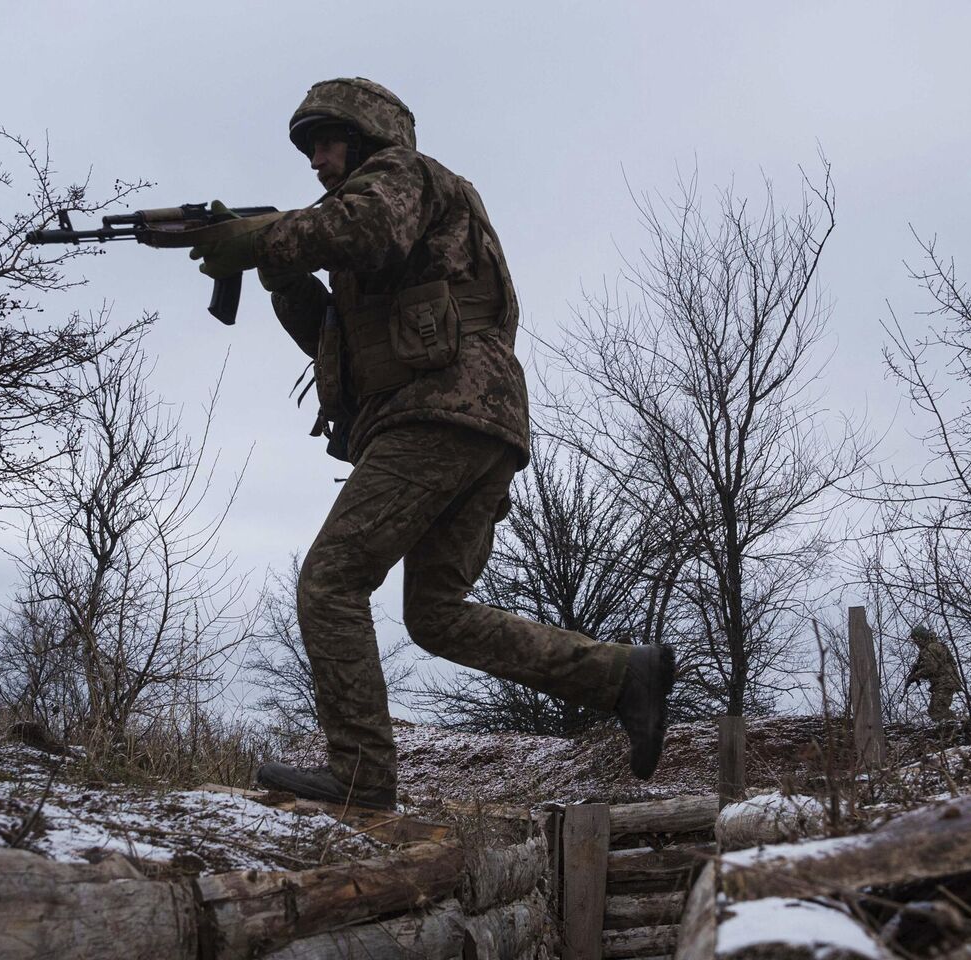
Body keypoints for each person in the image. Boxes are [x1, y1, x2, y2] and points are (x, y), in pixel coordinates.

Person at [187, 78, 675, 810]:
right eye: (310, 148)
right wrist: (278, 274)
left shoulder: (400, 178)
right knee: (437, 613)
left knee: (331, 578)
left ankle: (360, 775)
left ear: (366, 135)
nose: (317, 160)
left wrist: (263, 236)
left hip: (442, 413)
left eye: (327, 142)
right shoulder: (378, 217)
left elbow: (366, 227)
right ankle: (618, 675)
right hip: (476, 424)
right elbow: (338, 341)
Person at [904, 625, 962, 724]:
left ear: (920, 638)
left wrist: (916, 675)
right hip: (946, 681)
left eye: (916, 640)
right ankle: (954, 726)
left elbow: (931, 668)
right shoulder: (934, 646)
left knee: (937, 710)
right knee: (934, 710)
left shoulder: (929, 649)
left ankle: (953, 729)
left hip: (945, 681)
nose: (916, 643)